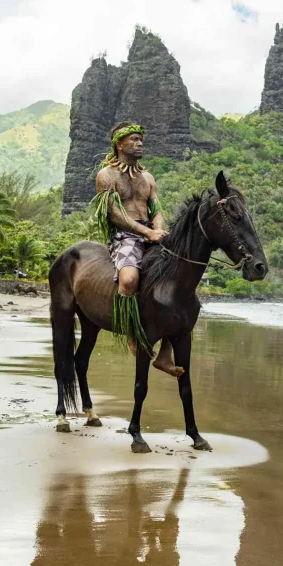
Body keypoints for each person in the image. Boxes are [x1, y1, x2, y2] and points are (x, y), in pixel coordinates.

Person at [93, 122, 182, 377]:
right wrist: (146, 232)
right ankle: (133, 333)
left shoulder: (148, 178)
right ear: (119, 144)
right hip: (125, 237)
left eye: (141, 139)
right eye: (134, 139)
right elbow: (115, 215)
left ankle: (165, 354)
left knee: (177, 283)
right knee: (129, 279)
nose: (140, 143)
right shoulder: (106, 176)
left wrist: (158, 230)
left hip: (152, 235)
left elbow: (156, 210)